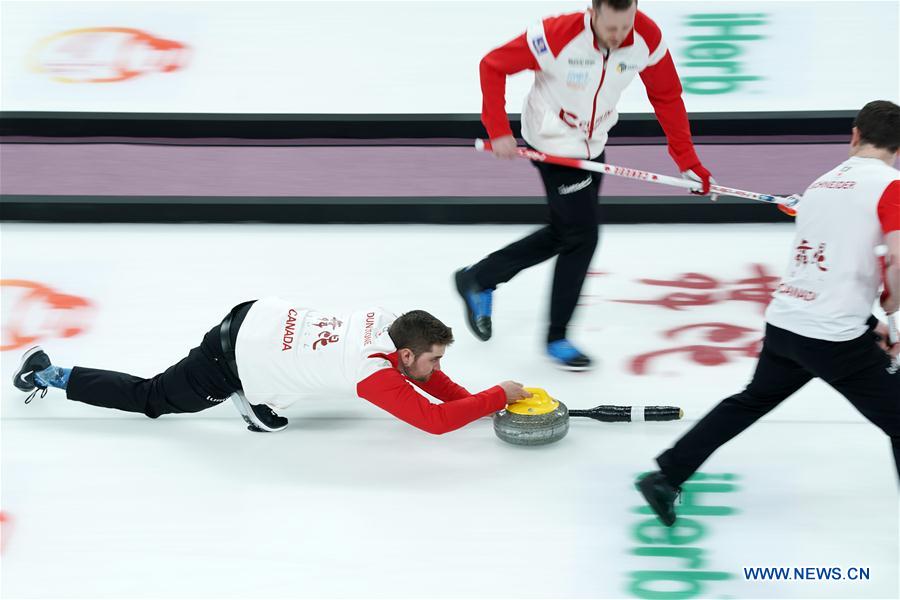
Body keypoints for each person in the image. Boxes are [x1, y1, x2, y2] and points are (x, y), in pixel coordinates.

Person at [637, 100, 900, 527]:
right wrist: (893, 304)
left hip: (787, 323)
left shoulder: (820, 185)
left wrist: (874, 324)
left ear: (854, 134)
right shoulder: (891, 186)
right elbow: (896, 257)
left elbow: (833, 260)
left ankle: (667, 475)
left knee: (750, 400)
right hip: (832, 337)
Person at [455, 0, 714, 370]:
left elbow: (667, 97)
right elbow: (493, 65)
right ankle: (556, 336)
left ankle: (478, 278)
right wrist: (498, 129)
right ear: (592, 13)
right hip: (553, 142)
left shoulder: (647, 37)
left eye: (626, 27)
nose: (619, 37)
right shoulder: (556, 35)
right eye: (611, 28)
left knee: (567, 231)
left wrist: (688, 162)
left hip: (594, 142)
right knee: (583, 235)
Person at [12, 298, 531, 434]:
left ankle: (260, 403)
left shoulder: (394, 323)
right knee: (152, 398)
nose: (437, 366)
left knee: (294, 375)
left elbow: (431, 379)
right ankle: (45, 373)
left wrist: (480, 402)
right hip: (228, 358)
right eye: (433, 356)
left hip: (257, 317)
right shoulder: (371, 375)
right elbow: (434, 422)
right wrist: (497, 397)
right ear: (405, 355)